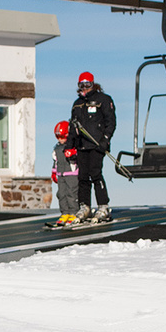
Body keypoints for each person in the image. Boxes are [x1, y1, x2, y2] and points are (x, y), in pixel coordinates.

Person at [65, 71, 116, 223]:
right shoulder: (77, 104)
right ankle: (84, 206)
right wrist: (69, 146)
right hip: (82, 145)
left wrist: (105, 140)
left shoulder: (103, 100)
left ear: (93, 85)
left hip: (97, 144)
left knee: (95, 173)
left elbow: (111, 122)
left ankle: (103, 206)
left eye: (88, 85)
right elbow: (73, 127)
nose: (85, 88)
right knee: (82, 177)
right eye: (82, 85)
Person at [50, 120, 79, 226]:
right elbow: (55, 161)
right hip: (61, 174)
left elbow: (77, 159)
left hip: (71, 174)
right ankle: (65, 212)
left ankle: (74, 212)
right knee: (61, 194)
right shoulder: (56, 148)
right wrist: (54, 172)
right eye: (58, 137)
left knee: (71, 193)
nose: (60, 140)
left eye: (62, 137)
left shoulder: (73, 146)